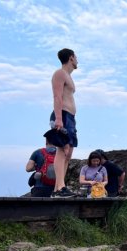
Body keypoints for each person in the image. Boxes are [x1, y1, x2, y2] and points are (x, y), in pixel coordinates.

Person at [49, 48, 78, 198]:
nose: (77, 61)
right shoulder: (59, 74)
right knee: (62, 149)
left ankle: (57, 189)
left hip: (70, 117)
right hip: (63, 115)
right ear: (71, 58)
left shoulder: (68, 76)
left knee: (68, 153)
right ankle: (60, 188)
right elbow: (57, 97)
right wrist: (59, 119)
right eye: (76, 57)